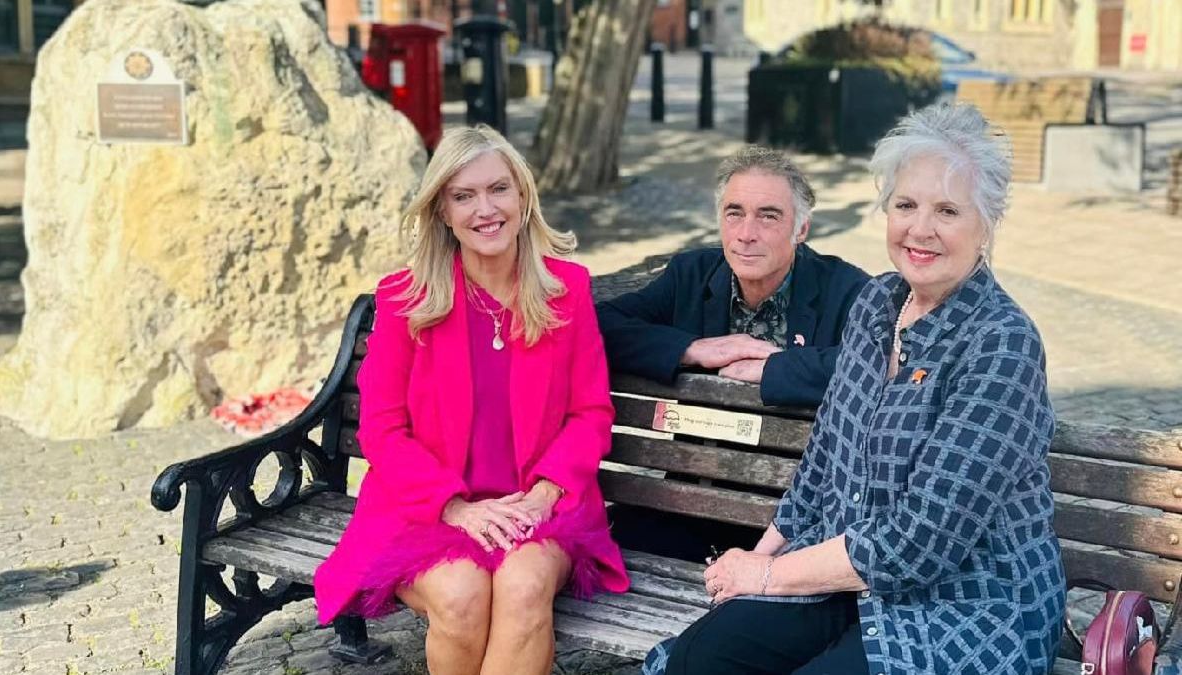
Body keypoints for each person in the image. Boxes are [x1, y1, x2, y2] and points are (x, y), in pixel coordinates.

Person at [645, 103, 1065, 674]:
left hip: (963, 606)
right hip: (843, 578)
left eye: (948, 210)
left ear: (986, 224)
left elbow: (920, 544)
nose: (921, 229)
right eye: (906, 205)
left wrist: (767, 576)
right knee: (700, 660)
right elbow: (822, 459)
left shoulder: (1001, 345)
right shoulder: (877, 304)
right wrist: (757, 559)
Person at [313, 125, 630, 675]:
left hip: (542, 505)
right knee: (461, 595)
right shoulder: (405, 300)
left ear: (524, 197)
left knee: (524, 586)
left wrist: (542, 495)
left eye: (499, 189)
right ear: (442, 211)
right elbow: (383, 430)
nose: (486, 209)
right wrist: (455, 508)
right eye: (464, 196)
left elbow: (590, 413)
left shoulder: (566, 289)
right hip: (428, 507)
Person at [596, 145, 869, 409]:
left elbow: (883, 363)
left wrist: (775, 369)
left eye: (768, 216)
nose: (746, 234)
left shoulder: (846, 289)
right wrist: (691, 349)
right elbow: (598, 324)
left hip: (797, 454)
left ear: (801, 230)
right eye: (734, 213)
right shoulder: (690, 275)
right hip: (699, 452)